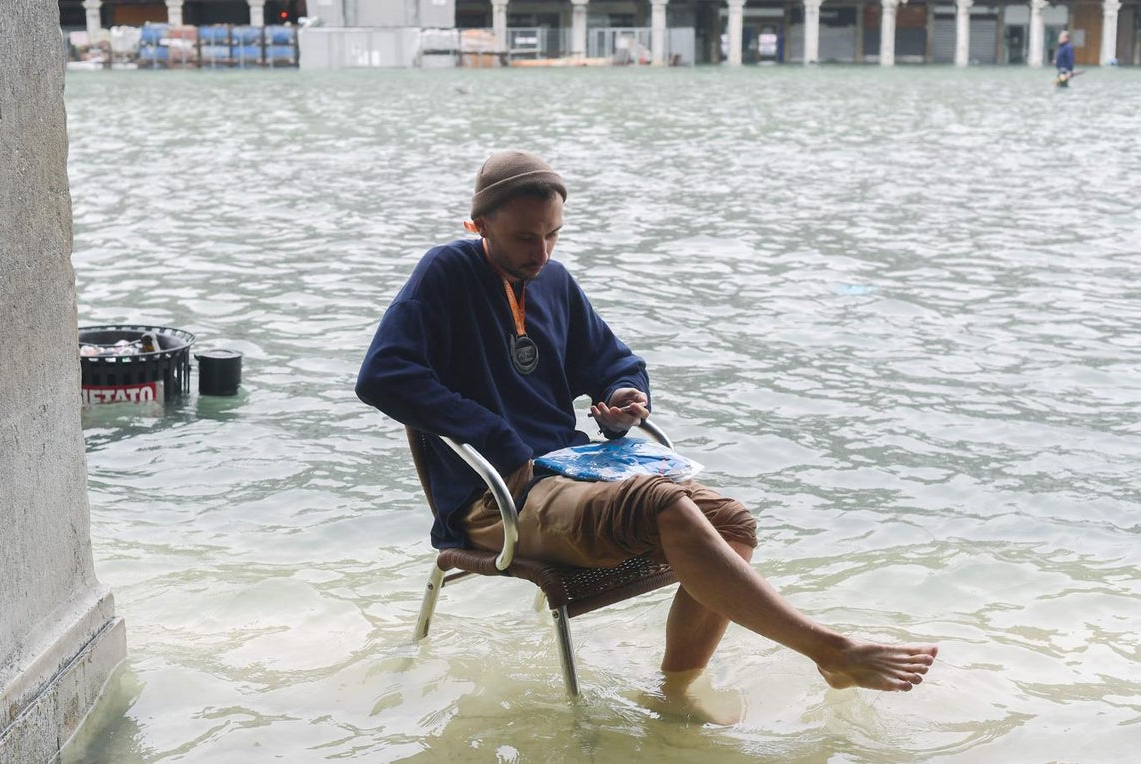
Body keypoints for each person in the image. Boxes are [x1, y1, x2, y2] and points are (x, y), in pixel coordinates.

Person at [356, 151, 937, 719]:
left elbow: (615, 362)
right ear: (478, 225)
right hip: (497, 499)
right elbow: (382, 376)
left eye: (553, 235)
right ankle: (831, 651)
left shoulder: (554, 282)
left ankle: (675, 693)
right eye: (524, 238)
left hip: (570, 473)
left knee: (732, 522)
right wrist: (499, 438)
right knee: (665, 505)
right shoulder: (446, 273)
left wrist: (624, 400)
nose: (542, 252)